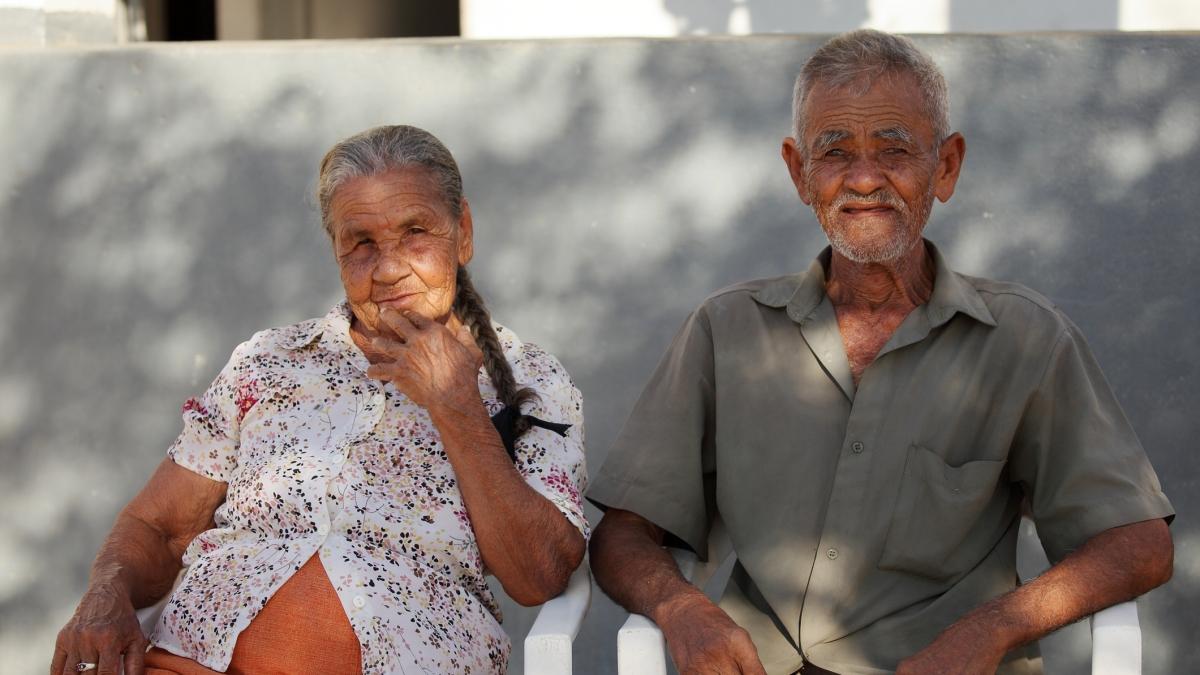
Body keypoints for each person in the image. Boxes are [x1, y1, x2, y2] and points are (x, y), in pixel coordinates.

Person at [587, 29, 1174, 675]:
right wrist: (681, 608)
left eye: (894, 149)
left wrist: (992, 629)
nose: (864, 178)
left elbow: (1137, 543)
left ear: (945, 166)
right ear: (799, 172)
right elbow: (624, 533)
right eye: (834, 151)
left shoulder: (1025, 338)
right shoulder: (725, 330)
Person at [51, 125, 589, 675]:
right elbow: (159, 528)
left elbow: (540, 573)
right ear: (336, 251)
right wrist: (106, 592)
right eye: (362, 243)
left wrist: (456, 405)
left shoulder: (530, 379)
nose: (389, 268)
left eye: (415, 232)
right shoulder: (267, 360)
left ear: (463, 232)